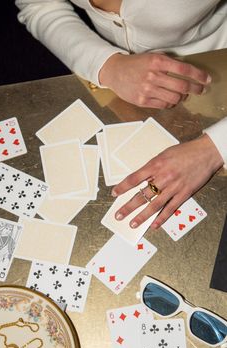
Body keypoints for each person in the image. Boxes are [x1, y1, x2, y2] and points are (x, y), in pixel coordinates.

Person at [15, 0, 227, 229]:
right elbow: (38, 5)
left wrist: (213, 148)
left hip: (214, 77)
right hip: (113, 88)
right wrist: (108, 65)